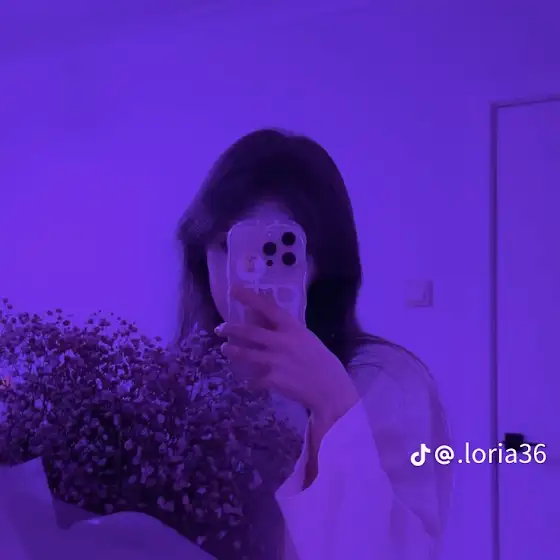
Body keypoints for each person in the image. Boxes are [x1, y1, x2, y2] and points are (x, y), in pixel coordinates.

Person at [176, 128, 452, 559]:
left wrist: (334, 407)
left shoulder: (386, 383)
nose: (247, 274)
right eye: (226, 246)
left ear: (320, 260)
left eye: (278, 250)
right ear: (201, 255)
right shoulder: (182, 382)